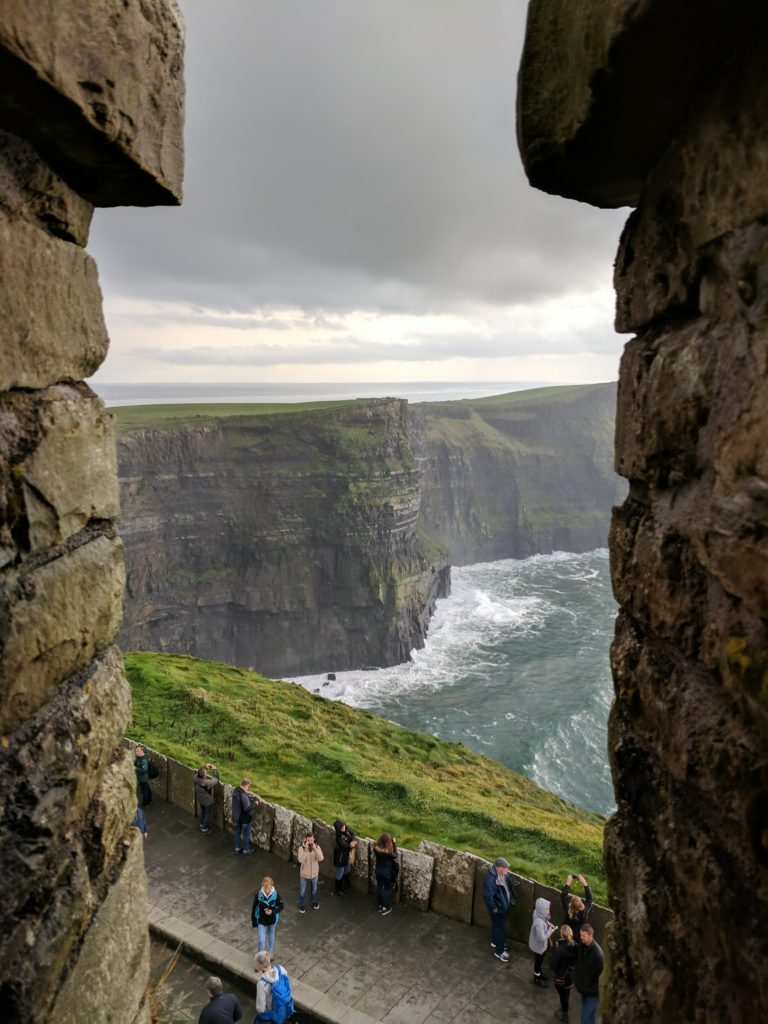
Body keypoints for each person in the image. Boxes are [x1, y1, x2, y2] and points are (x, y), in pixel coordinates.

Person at [483, 857, 517, 963]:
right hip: (498, 910)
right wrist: (494, 909)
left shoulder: (503, 874)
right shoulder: (491, 880)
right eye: (505, 868)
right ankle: (499, 951)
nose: (507, 870)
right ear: (499, 868)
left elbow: (507, 887)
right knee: (502, 930)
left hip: (503, 907)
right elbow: (487, 896)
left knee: (496, 925)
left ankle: (494, 941)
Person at [253, 951, 295, 1023]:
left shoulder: (261, 984)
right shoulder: (281, 969)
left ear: (260, 966)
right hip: (282, 1008)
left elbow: (261, 1009)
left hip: (270, 1014)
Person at [574, 923, 603, 1024]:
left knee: (585, 1017)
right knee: (589, 1017)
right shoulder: (581, 945)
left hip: (594, 992)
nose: (581, 938)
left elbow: (601, 976)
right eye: (580, 935)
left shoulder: (598, 955)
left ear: (591, 936)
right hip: (584, 988)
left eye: (584, 936)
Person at [550, 923, 577, 1021]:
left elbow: (553, 966)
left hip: (561, 978)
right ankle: (566, 1005)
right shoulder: (575, 945)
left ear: (561, 935)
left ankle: (565, 1013)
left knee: (562, 995)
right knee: (567, 992)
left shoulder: (559, 950)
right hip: (571, 977)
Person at [529, 896, 557, 986]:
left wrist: (549, 924)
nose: (548, 911)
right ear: (542, 910)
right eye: (547, 909)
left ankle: (539, 972)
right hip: (539, 946)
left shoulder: (538, 913)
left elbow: (544, 921)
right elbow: (541, 938)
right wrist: (550, 930)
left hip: (539, 945)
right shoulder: (539, 923)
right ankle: (537, 977)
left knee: (539, 960)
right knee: (538, 961)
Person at [251, 876, 284, 952]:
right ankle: (261, 956)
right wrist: (254, 921)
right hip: (261, 920)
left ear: (271, 886)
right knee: (261, 940)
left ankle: (269, 953)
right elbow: (254, 908)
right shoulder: (258, 895)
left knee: (271, 937)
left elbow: (281, 906)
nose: (266, 890)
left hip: (272, 919)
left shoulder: (276, 895)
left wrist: (273, 912)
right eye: (265, 888)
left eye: (268, 888)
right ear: (263, 886)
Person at [561, 873, 593, 943]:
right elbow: (590, 899)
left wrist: (568, 883)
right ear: (581, 904)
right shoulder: (584, 912)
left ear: (571, 904)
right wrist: (585, 883)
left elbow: (563, 897)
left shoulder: (568, 910)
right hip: (578, 939)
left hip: (567, 935)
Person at [297, 831, 324, 913]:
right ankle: (301, 905)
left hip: (314, 873)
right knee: (302, 891)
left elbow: (321, 858)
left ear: (314, 839)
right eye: (308, 840)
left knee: (314, 890)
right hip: (304, 874)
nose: (310, 842)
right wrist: (305, 850)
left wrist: (315, 849)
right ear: (306, 840)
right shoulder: (301, 848)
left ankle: (313, 902)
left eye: (311, 840)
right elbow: (301, 860)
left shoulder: (317, 847)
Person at [372, 832, 398, 916]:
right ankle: (384, 907)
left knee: (379, 886)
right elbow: (395, 855)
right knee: (387, 888)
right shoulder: (388, 851)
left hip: (378, 869)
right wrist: (394, 843)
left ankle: (380, 904)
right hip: (386, 871)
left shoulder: (376, 847)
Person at [232, 778, 258, 855]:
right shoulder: (243, 794)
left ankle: (237, 848)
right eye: (248, 786)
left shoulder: (235, 790)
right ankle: (246, 850)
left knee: (237, 833)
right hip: (244, 819)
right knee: (246, 834)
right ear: (246, 785)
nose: (248, 788)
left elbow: (240, 802)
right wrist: (255, 803)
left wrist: (247, 796)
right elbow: (247, 808)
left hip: (236, 816)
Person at [332, 819, 357, 895]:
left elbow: (353, 834)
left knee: (347, 870)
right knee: (340, 872)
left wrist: (353, 840)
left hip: (346, 856)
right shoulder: (338, 836)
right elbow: (343, 845)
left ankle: (344, 883)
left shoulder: (347, 831)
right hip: (340, 857)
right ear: (338, 829)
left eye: (343, 826)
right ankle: (337, 889)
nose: (343, 828)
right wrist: (350, 845)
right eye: (341, 828)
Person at [195, 763, 219, 834]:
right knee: (207, 814)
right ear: (204, 775)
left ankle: (202, 824)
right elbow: (215, 780)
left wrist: (205, 767)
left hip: (200, 799)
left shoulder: (195, 777)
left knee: (203, 812)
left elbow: (199, 772)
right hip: (207, 801)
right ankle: (204, 828)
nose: (206, 773)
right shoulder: (206, 782)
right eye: (205, 772)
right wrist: (214, 770)